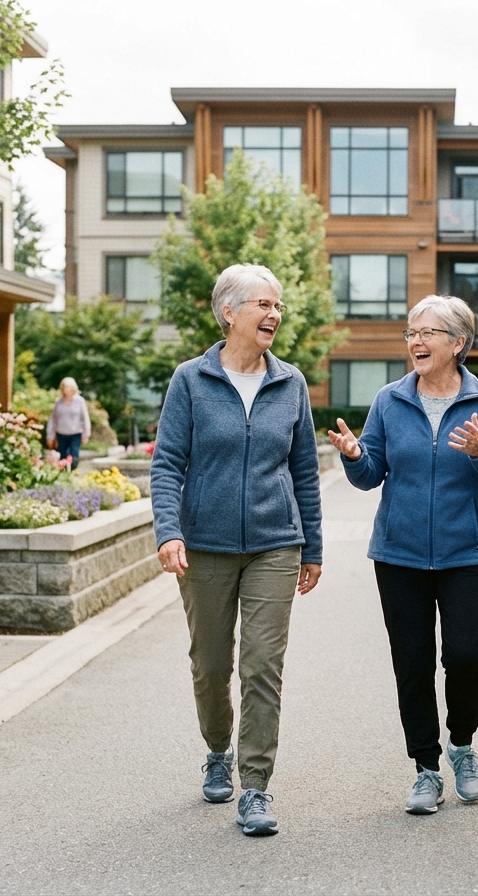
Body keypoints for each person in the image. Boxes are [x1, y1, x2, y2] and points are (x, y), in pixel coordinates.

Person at [328, 295, 478, 816]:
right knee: (411, 663)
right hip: (399, 554)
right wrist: (355, 457)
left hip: (467, 553)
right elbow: (371, 474)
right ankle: (426, 768)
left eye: (427, 333)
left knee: (464, 654)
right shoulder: (390, 400)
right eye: (411, 333)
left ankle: (462, 745)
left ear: (458, 343)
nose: (415, 341)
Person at [151, 264, 323, 837]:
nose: (274, 314)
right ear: (229, 312)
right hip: (205, 545)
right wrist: (169, 531)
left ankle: (255, 786)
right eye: (263, 304)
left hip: (276, 543)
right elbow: (167, 463)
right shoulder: (191, 380)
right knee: (210, 665)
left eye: (278, 306)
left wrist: (313, 547)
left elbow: (304, 472)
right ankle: (217, 749)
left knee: (262, 666)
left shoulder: (290, 382)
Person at [46, 377, 90, 470]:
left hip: (76, 433)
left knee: (74, 457)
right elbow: (53, 419)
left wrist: (86, 434)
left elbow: (85, 418)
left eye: (68, 387)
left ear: (73, 388)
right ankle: (65, 475)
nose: (66, 389)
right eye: (65, 387)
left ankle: (72, 471)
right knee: (62, 457)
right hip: (61, 434)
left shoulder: (80, 401)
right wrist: (50, 435)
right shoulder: (58, 402)